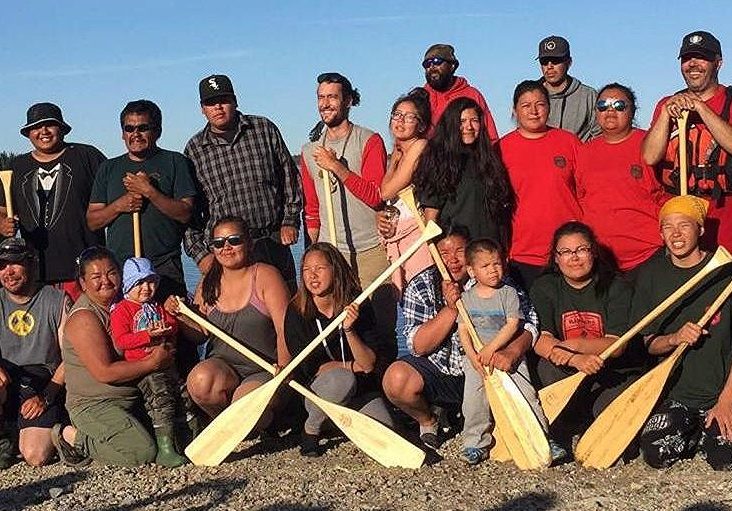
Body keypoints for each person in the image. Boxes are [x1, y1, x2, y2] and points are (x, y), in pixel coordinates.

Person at [381, 225, 538, 450]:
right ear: (433, 253)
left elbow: (529, 323)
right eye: (444, 253)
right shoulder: (421, 284)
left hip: (485, 366)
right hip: (440, 370)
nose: (452, 260)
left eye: (459, 251)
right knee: (396, 380)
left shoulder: (497, 281)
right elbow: (418, 346)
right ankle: (429, 420)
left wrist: (512, 352)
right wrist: (452, 309)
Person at [635, 196, 732, 470]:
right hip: (678, 396)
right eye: (668, 227)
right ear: (661, 233)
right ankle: (697, 433)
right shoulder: (651, 275)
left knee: (725, 461)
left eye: (684, 225)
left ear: (700, 229)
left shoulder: (725, 274)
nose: (675, 234)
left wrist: (726, 401)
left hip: (723, 392)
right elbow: (649, 344)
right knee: (656, 453)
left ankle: (708, 433)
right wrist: (674, 338)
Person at [53, 247, 174, 467]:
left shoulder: (128, 303)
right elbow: (104, 372)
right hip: (95, 403)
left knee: (176, 435)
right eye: (96, 277)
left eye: (111, 273)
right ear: (82, 283)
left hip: (134, 393)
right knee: (141, 453)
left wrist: (171, 308)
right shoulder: (84, 318)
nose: (106, 281)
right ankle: (70, 437)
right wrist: (153, 362)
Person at [530, 222, 643, 453]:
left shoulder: (617, 287)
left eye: (582, 249)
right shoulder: (545, 287)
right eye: (566, 252)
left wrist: (574, 346)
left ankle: (592, 423)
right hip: (567, 370)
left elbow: (617, 345)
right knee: (546, 367)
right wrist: (574, 359)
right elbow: (540, 340)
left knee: (614, 413)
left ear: (593, 252)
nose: (575, 258)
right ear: (556, 258)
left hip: (609, 373)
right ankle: (561, 427)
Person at [184, 74, 302, 291]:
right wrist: (201, 256)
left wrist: (290, 220)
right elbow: (188, 212)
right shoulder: (194, 150)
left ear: (235, 101)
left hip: (272, 241)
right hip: (226, 252)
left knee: (289, 314)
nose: (218, 107)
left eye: (224, 100)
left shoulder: (263, 129)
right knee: (240, 320)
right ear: (202, 108)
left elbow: (290, 176)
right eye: (210, 103)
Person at [171, 216, 291, 422]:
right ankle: (234, 423)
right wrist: (181, 314)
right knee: (200, 381)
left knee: (243, 402)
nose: (226, 247)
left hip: (264, 370)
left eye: (234, 240)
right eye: (218, 243)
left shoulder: (266, 276)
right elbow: (199, 335)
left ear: (249, 243)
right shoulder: (208, 281)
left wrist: (284, 370)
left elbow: (285, 330)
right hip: (224, 368)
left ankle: (261, 418)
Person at [457, 238, 561, 465]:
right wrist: (473, 355)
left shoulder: (508, 293)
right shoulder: (466, 298)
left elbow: (513, 324)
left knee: (527, 394)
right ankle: (475, 443)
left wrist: (492, 349)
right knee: (474, 401)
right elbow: (463, 328)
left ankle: (543, 437)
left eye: (496, 264)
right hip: (476, 359)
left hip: (507, 355)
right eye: (485, 266)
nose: (493, 270)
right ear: (471, 271)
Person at [284, 243, 394, 457]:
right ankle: (312, 428)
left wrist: (350, 330)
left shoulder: (358, 305)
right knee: (342, 379)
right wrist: (351, 367)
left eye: (320, 269)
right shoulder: (297, 311)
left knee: (386, 429)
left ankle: (337, 422)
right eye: (307, 270)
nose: (312, 276)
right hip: (320, 392)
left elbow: (369, 364)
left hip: (360, 391)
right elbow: (308, 369)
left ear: (335, 269)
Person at [88, 100, 196, 300]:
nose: (135, 134)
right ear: (122, 133)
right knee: (125, 328)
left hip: (164, 266)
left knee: (170, 325)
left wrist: (149, 191)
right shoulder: (108, 168)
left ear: (158, 131)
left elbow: (185, 213)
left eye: (143, 128)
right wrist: (120, 205)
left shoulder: (175, 162)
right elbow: (93, 221)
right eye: (129, 128)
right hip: (120, 268)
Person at [0, 103, 106, 301]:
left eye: (50, 125)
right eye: (36, 127)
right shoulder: (17, 166)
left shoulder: (87, 156)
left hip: (86, 271)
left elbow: (113, 193)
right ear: (28, 133)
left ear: (62, 129)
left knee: (85, 328)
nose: (43, 131)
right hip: (36, 274)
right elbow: (2, 211)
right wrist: (3, 224)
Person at [642, 31, 732, 251]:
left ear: (718, 63)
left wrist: (700, 107)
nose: (693, 64)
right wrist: (665, 113)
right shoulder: (667, 103)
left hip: (724, 210)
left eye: (701, 57)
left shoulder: (729, 100)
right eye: (686, 58)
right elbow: (650, 156)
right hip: (681, 209)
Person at [300, 72, 388, 286]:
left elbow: (376, 197)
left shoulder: (369, 141)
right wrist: (313, 250)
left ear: (348, 101)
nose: (325, 104)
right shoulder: (310, 150)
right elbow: (312, 209)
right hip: (330, 255)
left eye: (332, 97)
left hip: (370, 251)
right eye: (321, 97)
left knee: (377, 318)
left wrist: (336, 167)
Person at [575, 83, 669, 273]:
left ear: (633, 111)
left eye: (619, 105)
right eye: (603, 106)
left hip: (648, 255)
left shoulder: (651, 143)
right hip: (601, 260)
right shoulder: (583, 152)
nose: (610, 111)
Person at [498, 80, 582, 290]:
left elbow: (586, 191)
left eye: (540, 104)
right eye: (526, 106)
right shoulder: (501, 149)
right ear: (515, 109)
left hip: (568, 250)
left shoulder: (569, 142)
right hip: (523, 253)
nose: (534, 111)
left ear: (548, 107)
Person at [0, 238, 70, 468]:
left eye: (15, 264)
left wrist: (48, 394)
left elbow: (71, 356)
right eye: (2, 265)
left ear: (31, 264)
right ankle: (7, 432)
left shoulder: (56, 300)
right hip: (6, 378)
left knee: (35, 456)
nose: (8, 271)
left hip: (41, 382)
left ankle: (55, 426)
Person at [110, 257, 186, 467]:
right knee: (160, 400)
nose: (146, 288)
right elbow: (122, 340)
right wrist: (147, 336)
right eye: (139, 283)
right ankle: (165, 448)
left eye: (151, 282)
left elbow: (172, 326)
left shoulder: (157, 307)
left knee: (182, 395)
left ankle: (187, 438)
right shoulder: (122, 310)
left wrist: (171, 322)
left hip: (166, 364)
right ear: (129, 285)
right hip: (144, 368)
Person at [413, 98, 514, 248]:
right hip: (457, 249)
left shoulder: (489, 160)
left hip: (489, 249)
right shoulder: (438, 160)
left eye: (474, 120)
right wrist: (433, 249)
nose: (469, 127)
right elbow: (431, 214)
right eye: (462, 121)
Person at [377, 88, 433, 293]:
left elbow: (386, 192)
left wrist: (394, 162)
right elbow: (385, 194)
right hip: (402, 238)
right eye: (397, 115)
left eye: (409, 117)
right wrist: (394, 160)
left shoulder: (420, 146)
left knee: (420, 298)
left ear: (422, 125)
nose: (400, 121)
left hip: (418, 240)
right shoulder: (400, 151)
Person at [420, 44, 499, 141]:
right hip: (430, 154)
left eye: (437, 62)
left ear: (452, 66)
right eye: (427, 64)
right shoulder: (421, 97)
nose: (432, 67)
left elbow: (491, 136)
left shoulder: (472, 95)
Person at [536, 35, 600, 142]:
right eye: (544, 61)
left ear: (569, 62)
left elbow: (600, 136)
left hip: (578, 157)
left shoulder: (589, 96)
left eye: (556, 60)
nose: (549, 66)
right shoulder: (529, 96)